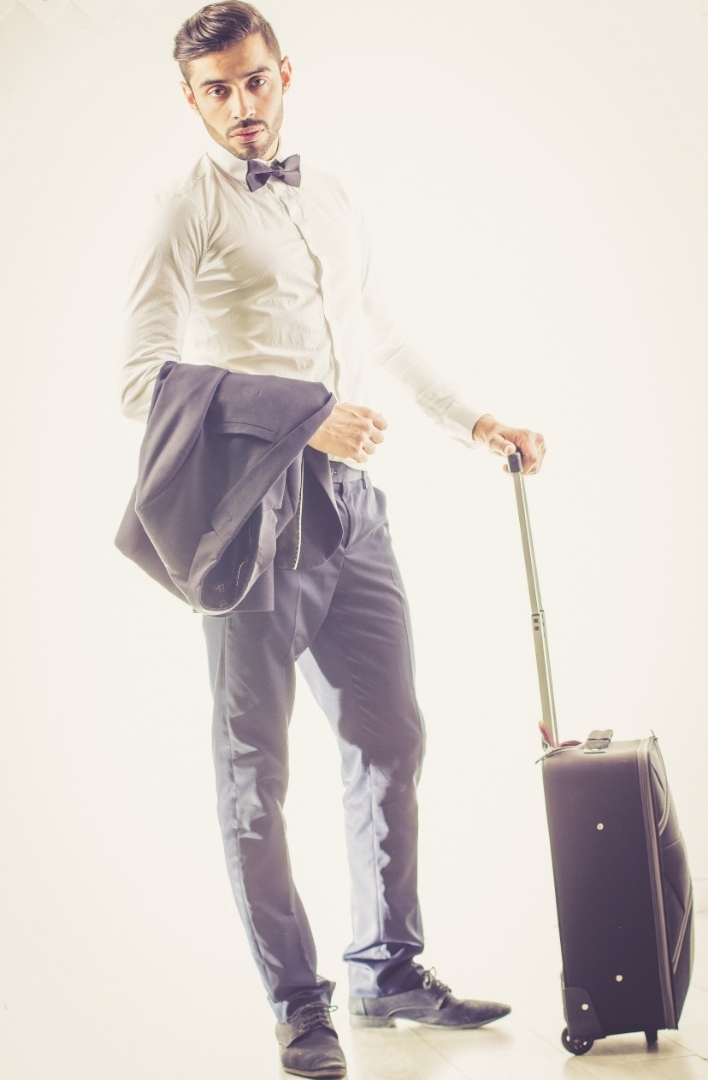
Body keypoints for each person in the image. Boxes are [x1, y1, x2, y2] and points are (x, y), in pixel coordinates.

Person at [121, 4, 546, 1076]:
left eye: (255, 79)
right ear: (191, 100)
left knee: (391, 737)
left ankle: (387, 972)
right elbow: (141, 383)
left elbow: (378, 331)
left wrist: (475, 422)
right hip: (250, 519)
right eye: (218, 89)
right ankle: (297, 1002)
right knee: (254, 779)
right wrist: (303, 414)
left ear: (284, 72)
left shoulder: (333, 194)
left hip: (353, 511)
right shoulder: (185, 208)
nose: (242, 104)